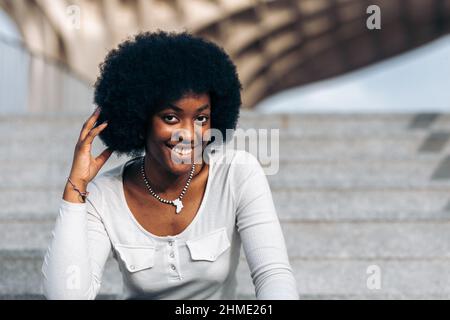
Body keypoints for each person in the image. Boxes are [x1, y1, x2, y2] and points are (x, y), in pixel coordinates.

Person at [41, 30, 299, 300]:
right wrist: (76, 189)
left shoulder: (237, 173)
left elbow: (274, 275)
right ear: (141, 120)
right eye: (171, 118)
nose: (189, 134)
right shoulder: (105, 195)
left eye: (201, 118)